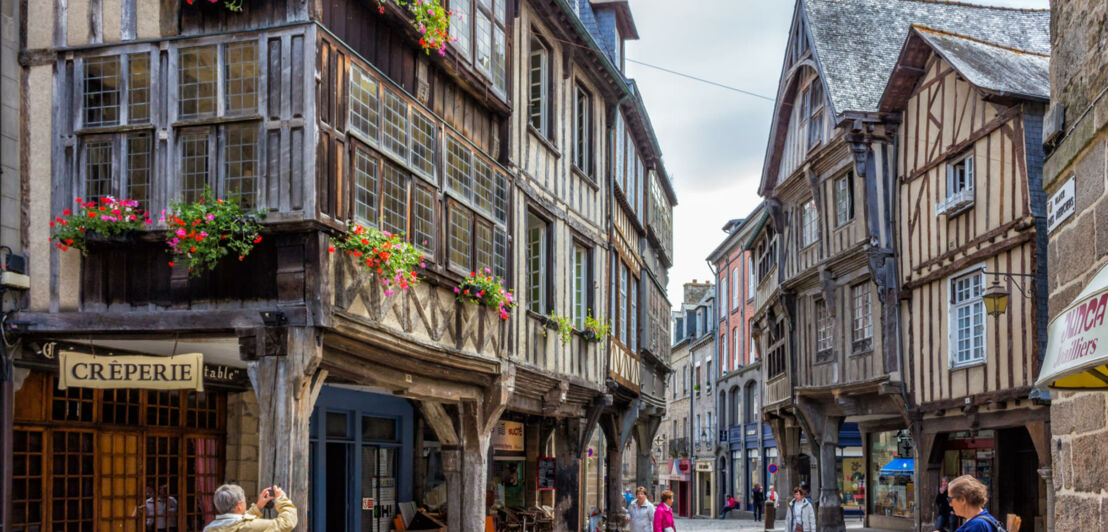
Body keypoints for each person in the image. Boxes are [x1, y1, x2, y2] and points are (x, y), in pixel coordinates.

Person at [203, 485, 297, 532]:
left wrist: (257, 507)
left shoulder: (209, 529)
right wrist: (281, 498)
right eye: (244, 499)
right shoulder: (250, 527)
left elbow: (237, 522)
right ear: (239, 506)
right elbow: (287, 523)